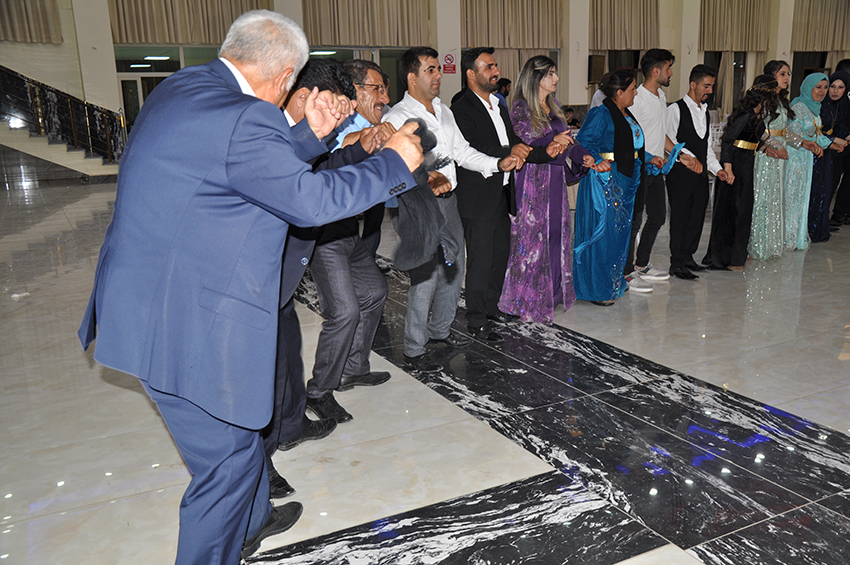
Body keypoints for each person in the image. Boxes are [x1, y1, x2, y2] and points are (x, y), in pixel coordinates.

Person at [76, 10, 423, 564]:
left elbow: (239, 163)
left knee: (243, 439)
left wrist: (307, 135)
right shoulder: (248, 116)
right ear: (285, 76)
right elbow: (310, 202)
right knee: (230, 462)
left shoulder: (183, 87)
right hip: (188, 321)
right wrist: (392, 165)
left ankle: (254, 518)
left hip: (142, 302)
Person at [383, 46, 519, 372]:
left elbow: (462, 151)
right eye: (430, 70)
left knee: (453, 268)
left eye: (438, 69)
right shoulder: (397, 117)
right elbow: (390, 166)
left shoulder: (444, 111)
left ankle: (440, 332)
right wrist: (425, 176)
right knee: (426, 276)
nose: (438, 76)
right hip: (419, 207)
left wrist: (496, 163)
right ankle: (414, 349)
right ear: (412, 77)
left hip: (450, 202)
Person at [301, 59, 401, 425]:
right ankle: (319, 391)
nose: (384, 97)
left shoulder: (361, 124)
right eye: (377, 89)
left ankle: (353, 368)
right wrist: (364, 142)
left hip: (347, 231)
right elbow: (340, 152)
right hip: (324, 237)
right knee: (344, 312)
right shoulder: (326, 128)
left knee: (374, 290)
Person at [451, 48, 556, 338]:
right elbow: (471, 149)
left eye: (495, 65)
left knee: (500, 256)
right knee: (481, 260)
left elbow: (515, 143)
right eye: (488, 67)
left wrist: (544, 152)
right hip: (477, 196)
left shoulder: (498, 104)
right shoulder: (461, 108)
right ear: (471, 74)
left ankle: (490, 307)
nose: (495, 71)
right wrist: (510, 150)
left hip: (501, 192)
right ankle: (476, 319)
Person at [498, 55, 594, 323]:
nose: (556, 78)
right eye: (551, 73)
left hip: (554, 180)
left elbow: (568, 141)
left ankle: (551, 294)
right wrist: (555, 139)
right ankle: (526, 297)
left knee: (555, 235)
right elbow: (526, 145)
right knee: (531, 240)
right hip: (532, 181)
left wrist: (584, 155)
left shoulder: (554, 106)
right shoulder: (520, 109)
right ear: (536, 77)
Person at [574, 70, 665, 305]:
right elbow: (583, 142)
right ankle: (597, 288)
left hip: (627, 180)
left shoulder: (627, 114)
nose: (636, 93)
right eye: (632, 89)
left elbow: (631, 146)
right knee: (604, 235)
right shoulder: (601, 113)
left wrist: (650, 158)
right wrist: (597, 159)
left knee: (619, 235)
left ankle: (613, 283)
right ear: (619, 92)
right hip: (607, 181)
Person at [627, 49, 690, 290]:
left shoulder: (661, 96)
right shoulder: (638, 98)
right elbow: (631, 137)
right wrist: (648, 157)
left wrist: (679, 155)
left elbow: (660, 134)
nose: (670, 73)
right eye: (668, 68)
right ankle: (626, 272)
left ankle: (641, 263)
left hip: (656, 169)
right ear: (656, 71)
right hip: (639, 168)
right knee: (634, 221)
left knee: (657, 217)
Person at [702, 75, 775, 269]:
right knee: (735, 211)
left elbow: (750, 139)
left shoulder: (757, 115)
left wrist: (766, 149)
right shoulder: (746, 115)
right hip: (736, 167)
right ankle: (728, 258)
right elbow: (728, 140)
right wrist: (728, 168)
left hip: (746, 165)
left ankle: (737, 255)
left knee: (743, 211)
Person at [665, 64, 728, 280]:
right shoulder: (675, 109)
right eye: (706, 86)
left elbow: (706, 147)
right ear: (693, 84)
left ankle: (688, 257)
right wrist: (687, 158)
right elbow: (668, 142)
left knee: (697, 216)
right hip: (680, 173)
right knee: (680, 217)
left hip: (701, 175)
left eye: (711, 86)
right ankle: (676, 263)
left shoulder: (706, 112)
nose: (709, 91)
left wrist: (717, 170)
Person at [343, 60, 394, 260]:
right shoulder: (336, 120)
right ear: (355, 89)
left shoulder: (373, 124)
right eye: (377, 89)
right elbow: (336, 148)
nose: (386, 98)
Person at [785, 73, 836, 251]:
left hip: (807, 158)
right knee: (793, 197)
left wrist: (831, 144)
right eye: (818, 87)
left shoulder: (814, 108)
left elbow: (816, 134)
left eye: (825, 87)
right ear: (808, 87)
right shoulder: (798, 107)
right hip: (795, 157)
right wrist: (810, 144)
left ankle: (798, 235)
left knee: (803, 197)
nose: (822, 91)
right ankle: (788, 236)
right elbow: (792, 133)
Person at [751, 60, 794, 260]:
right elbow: (758, 130)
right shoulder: (764, 100)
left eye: (788, 74)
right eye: (782, 74)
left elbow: (785, 131)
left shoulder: (782, 101)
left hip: (779, 155)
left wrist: (803, 143)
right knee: (762, 198)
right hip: (766, 155)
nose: (787, 78)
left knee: (774, 198)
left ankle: (770, 243)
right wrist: (776, 147)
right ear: (771, 76)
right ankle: (756, 244)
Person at [809, 71, 850, 242]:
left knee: (830, 187)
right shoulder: (820, 104)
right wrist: (833, 139)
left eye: (840, 87)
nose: (835, 91)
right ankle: (814, 224)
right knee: (818, 189)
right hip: (818, 150)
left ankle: (822, 221)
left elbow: (840, 126)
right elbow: (812, 130)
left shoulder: (841, 105)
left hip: (834, 152)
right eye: (832, 86)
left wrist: (846, 136)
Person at [830, 59, 850, 227]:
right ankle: (837, 215)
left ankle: (841, 214)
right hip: (833, 145)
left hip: (843, 142)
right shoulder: (832, 99)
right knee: (832, 181)